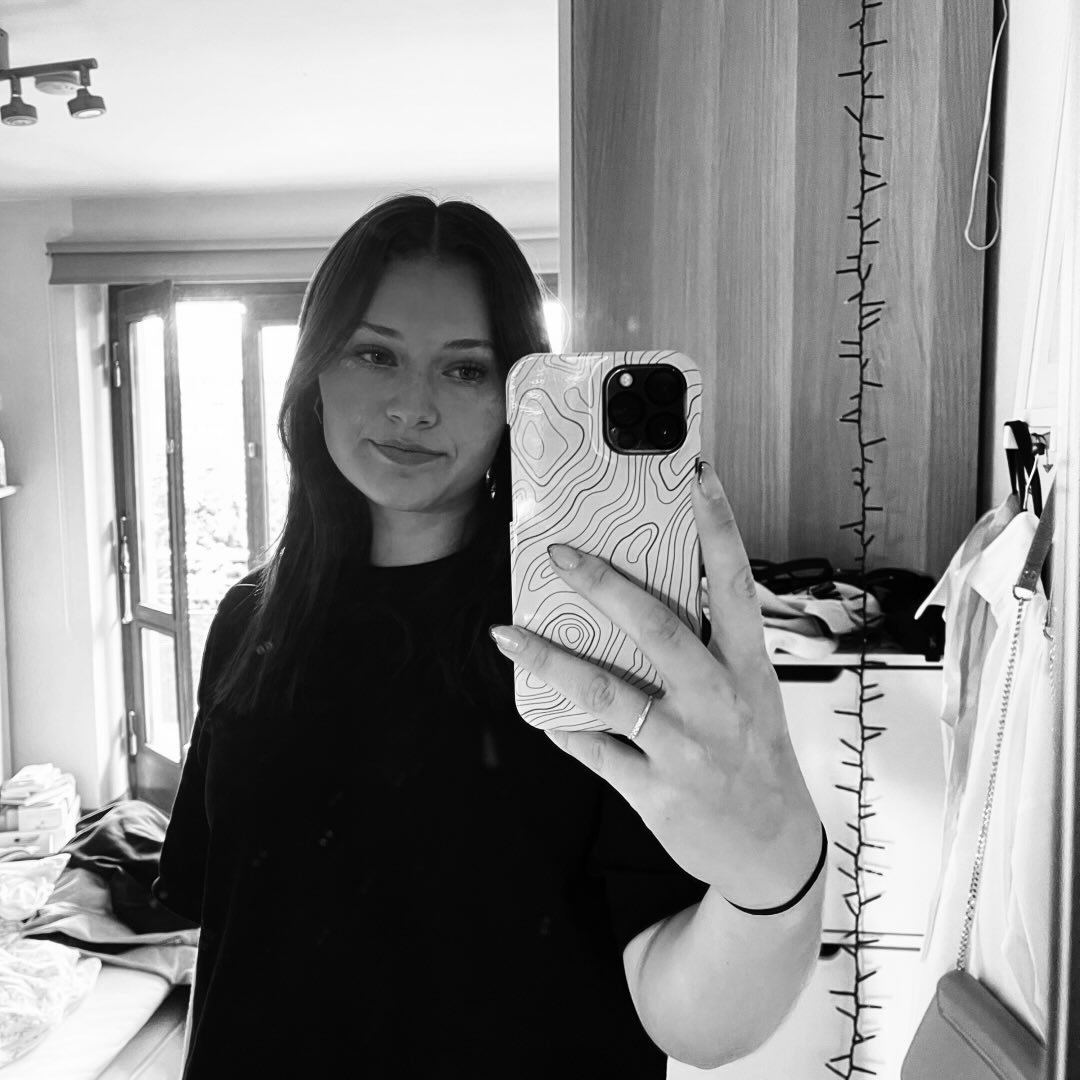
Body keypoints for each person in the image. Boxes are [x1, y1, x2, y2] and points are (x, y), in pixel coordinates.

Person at [153, 194, 827, 1079]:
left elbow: (691, 1023)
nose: (412, 407)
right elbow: (229, 939)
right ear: (315, 370)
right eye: (374, 353)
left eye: (465, 370)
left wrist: (775, 880)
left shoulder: (593, 644)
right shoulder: (249, 618)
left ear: (517, 398)